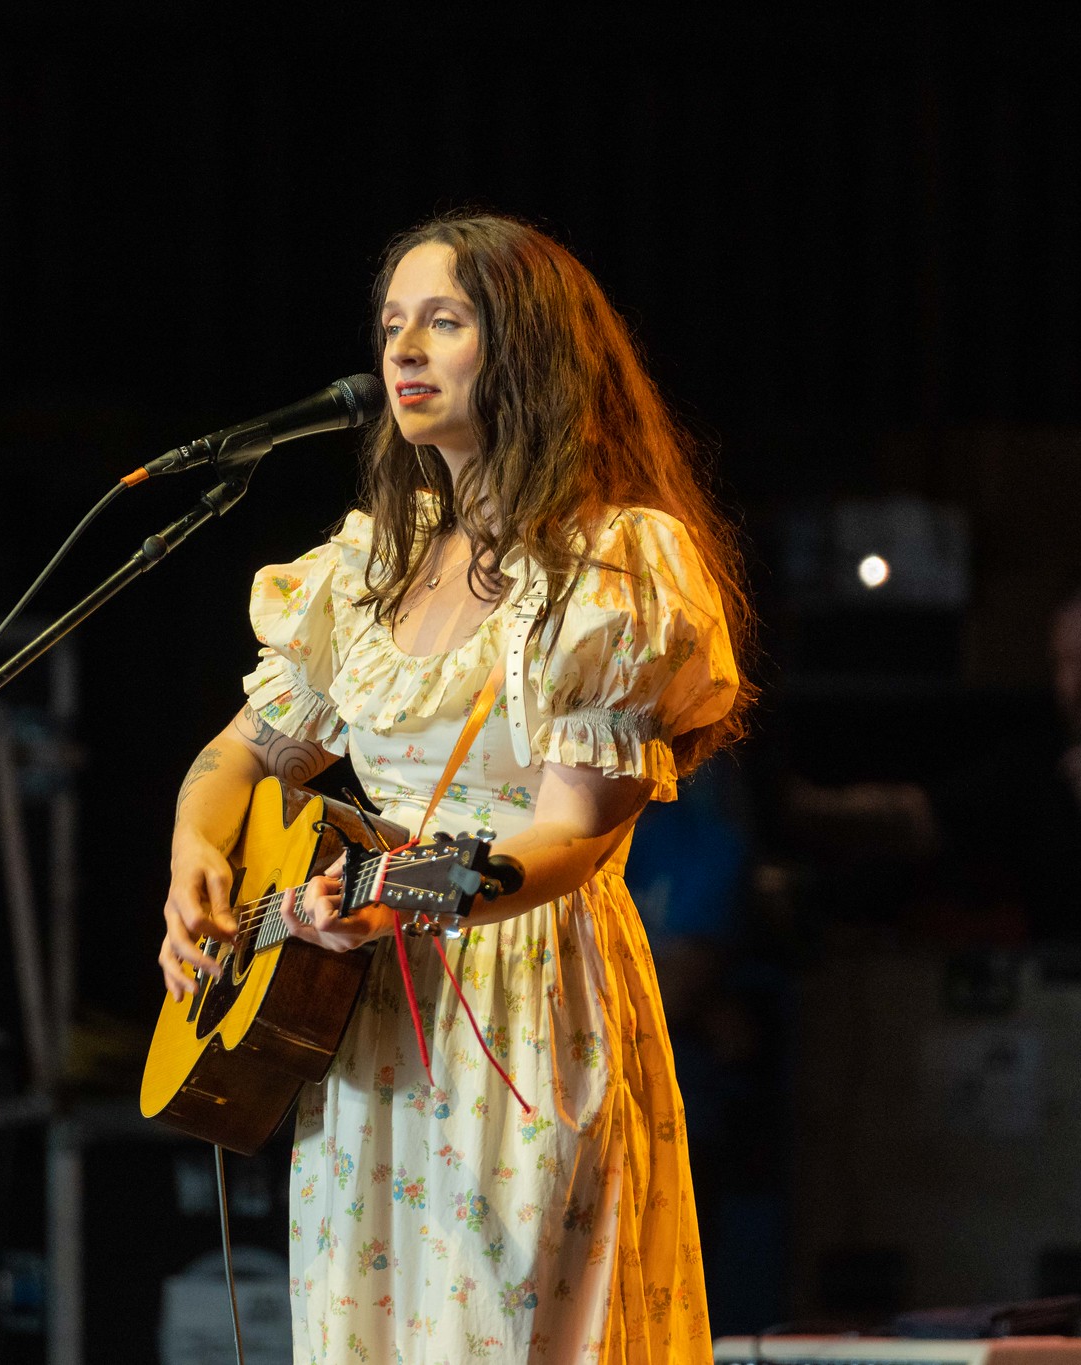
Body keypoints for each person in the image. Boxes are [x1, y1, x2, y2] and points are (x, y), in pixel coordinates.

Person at [160, 214, 751, 1364]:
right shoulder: (362, 572)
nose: (403, 351)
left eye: (444, 320)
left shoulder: (611, 569)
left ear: (525, 350)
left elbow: (571, 835)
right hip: (363, 1021)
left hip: (522, 1009)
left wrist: (425, 895)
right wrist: (195, 855)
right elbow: (233, 757)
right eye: (392, 326)